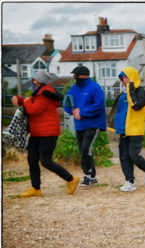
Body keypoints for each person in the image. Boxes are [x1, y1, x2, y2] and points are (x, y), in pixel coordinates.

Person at [11, 70, 80, 198]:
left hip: (48, 133)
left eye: (34, 80)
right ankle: (35, 188)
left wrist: (24, 102)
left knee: (46, 161)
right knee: (32, 159)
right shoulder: (39, 92)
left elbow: (33, 109)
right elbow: (31, 101)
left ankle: (71, 179)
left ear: (39, 81)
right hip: (37, 133)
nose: (33, 81)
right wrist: (19, 100)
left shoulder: (44, 94)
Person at [108, 66, 145, 192]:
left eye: (127, 78)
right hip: (123, 129)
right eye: (123, 78)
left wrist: (130, 89)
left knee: (133, 154)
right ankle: (129, 181)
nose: (124, 81)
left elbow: (135, 105)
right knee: (123, 156)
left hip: (135, 128)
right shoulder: (122, 94)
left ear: (133, 78)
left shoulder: (140, 91)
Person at [63, 66, 106, 187]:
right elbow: (66, 103)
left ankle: (88, 176)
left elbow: (99, 105)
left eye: (75, 75)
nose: (74, 77)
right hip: (79, 125)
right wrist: (73, 111)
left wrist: (81, 112)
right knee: (84, 151)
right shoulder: (73, 89)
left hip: (94, 124)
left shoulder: (95, 87)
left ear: (81, 76)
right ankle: (92, 177)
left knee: (86, 150)